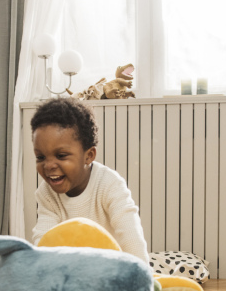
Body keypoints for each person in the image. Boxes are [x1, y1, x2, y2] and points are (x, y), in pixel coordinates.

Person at [29, 97, 149, 261]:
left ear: (89, 155)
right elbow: (43, 241)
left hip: (112, 266)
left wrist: (141, 271)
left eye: (61, 155)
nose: (48, 165)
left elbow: (131, 237)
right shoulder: (46, 193)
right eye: (40, 157)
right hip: (72, 268)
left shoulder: (109, 184)